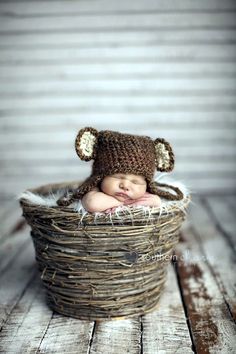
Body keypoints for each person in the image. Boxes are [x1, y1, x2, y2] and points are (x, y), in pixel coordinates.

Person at [57, 127, 183, 212]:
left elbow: (156, 202)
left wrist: (155, 201)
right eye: (117, 177)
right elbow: (91, 203)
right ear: (100, 176)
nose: (125, 185)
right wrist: (123, 204)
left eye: (136, 182)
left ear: (148, 184)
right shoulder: (95, 189)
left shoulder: (142, 194)